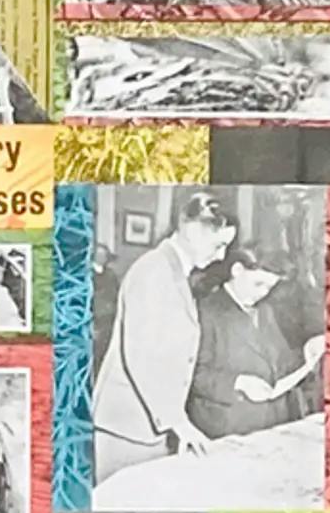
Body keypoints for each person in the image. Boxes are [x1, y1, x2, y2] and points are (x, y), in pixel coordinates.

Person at [91, 189, 236, 476]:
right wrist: (177, 422)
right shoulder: (155, 271)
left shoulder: (173, 271)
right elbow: (141, 355)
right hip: (128, 428)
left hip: (146, 425)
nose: (221, 256)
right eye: (219, 244)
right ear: (193, 231)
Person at [190, 247, 321, 439]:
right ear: (237, 270)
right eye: (258, 283)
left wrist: (307, 352)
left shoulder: (265, 311)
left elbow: (280, 363)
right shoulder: (205, 311)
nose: (263, 293)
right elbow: (192, 374)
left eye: (269, 287)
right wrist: (238, 382)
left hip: (271, 424)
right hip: (226, 428)